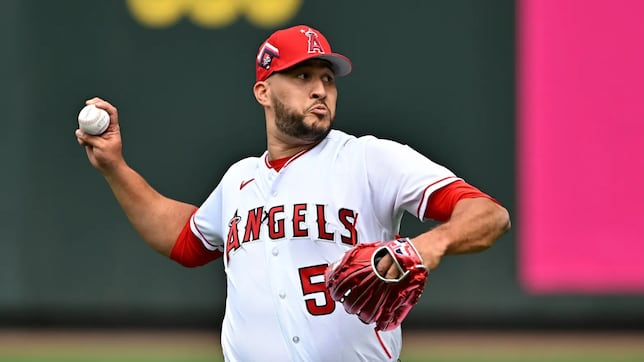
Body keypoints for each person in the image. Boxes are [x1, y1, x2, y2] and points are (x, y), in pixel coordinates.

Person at [75, 24, 510, 362]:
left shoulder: (369, 159)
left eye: (327, 78)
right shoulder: (239, 179)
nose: (320, 88)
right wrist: (115, 167)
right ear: (263, 91)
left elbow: (488, 215)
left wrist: (422, 247)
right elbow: (185, 240)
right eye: (302, 75)